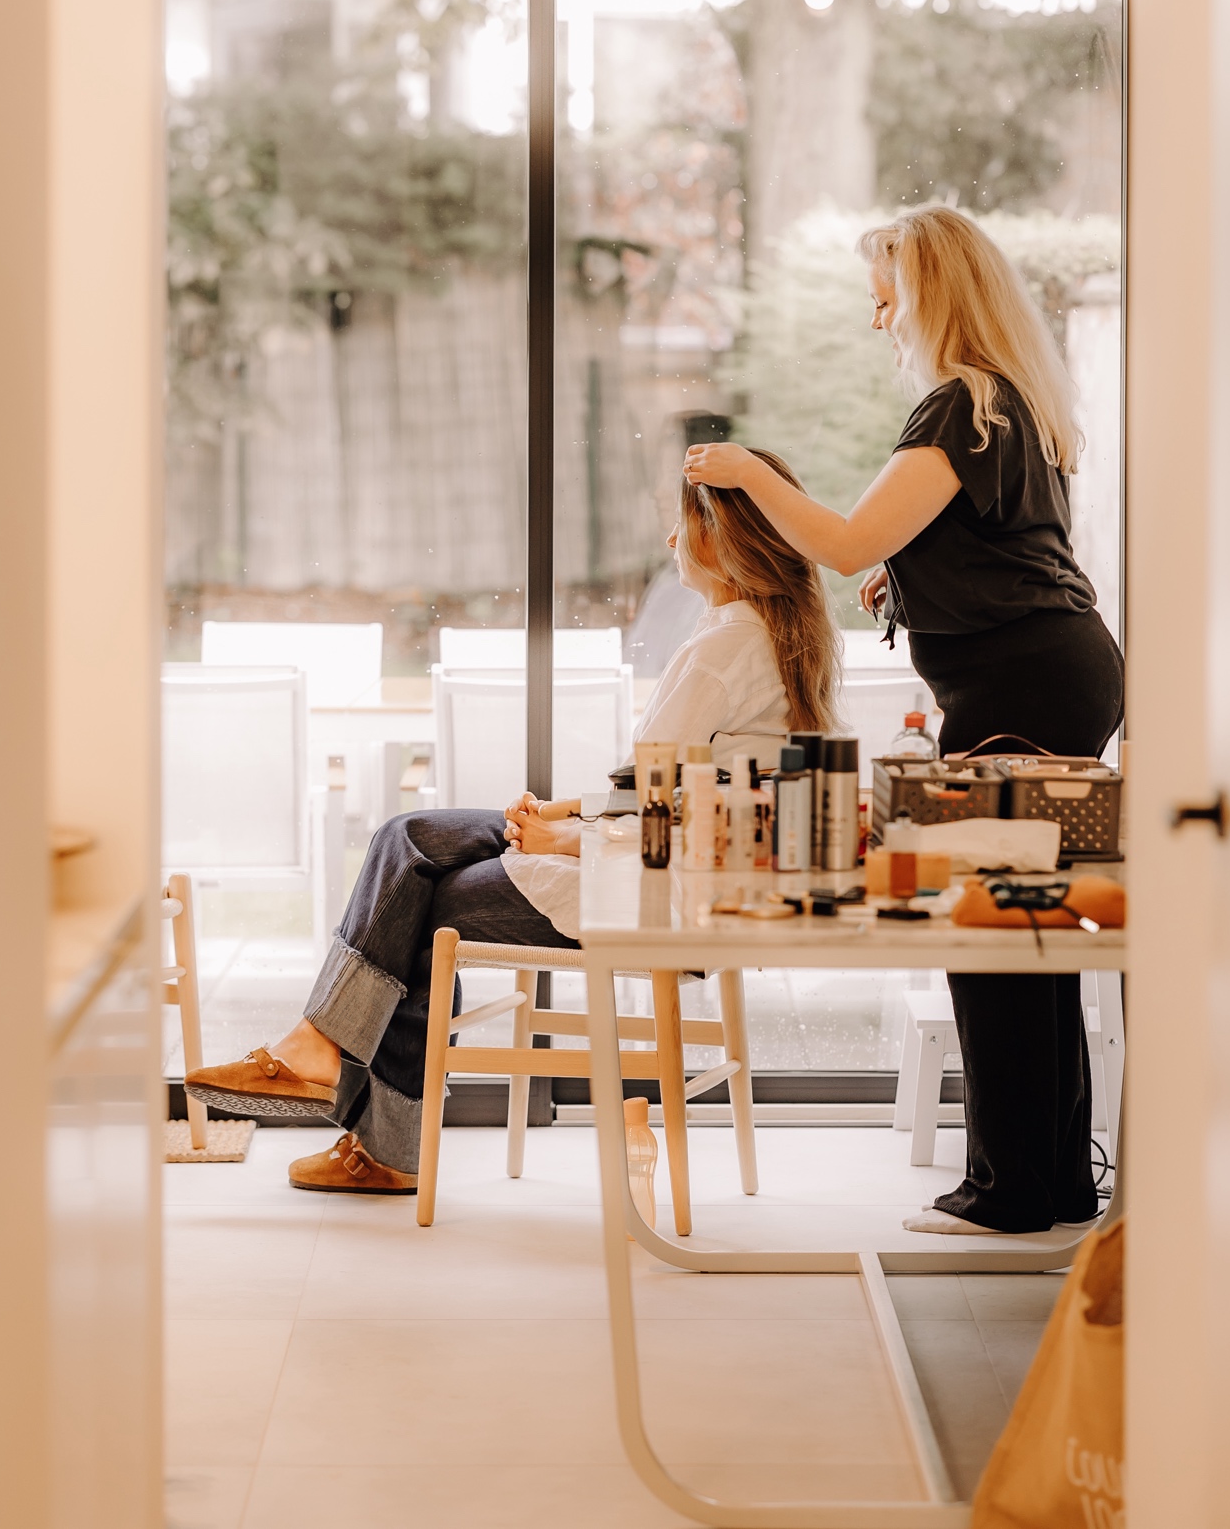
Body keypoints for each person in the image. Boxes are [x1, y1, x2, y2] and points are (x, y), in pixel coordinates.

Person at [186, 450, 840, 1193]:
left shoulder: (725, 644)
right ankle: (333, 1068)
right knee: (407, 840)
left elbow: (665, 805)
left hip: (657, 892)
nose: (670, 543)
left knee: (419, 898)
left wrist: (572, 838)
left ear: (724, 541)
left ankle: (368, 1118)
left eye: (681, 525)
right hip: (678, 872)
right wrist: (570, 813)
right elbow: (700, 788)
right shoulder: (777, 634)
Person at [683, 203, 1123, 1237]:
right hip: (1053, 672)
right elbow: (982, 544)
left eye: (888, 300)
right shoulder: (1015, 403)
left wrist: (747, 472)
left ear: (933, 297)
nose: (881, 322)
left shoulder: (956, 406)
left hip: (1021, 686)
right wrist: (911, 577)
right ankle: (1050, 1181)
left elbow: (839, 543)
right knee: (1030, 928)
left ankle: (1013, 1191)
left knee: (994, 928)